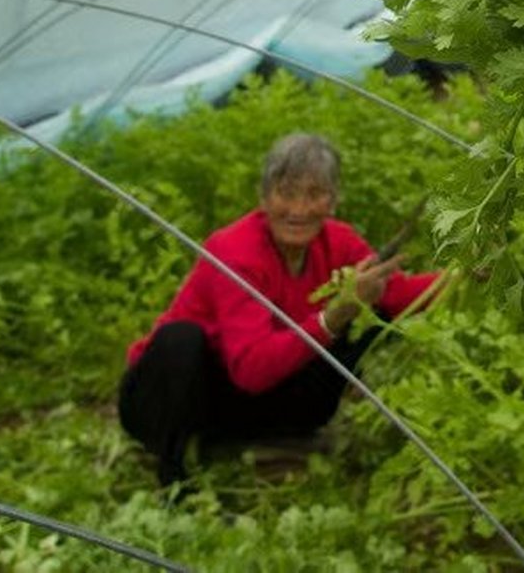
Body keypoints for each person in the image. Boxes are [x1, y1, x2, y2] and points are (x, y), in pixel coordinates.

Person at [119, 133, 439, 487]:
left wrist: (466, 273)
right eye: (286, 193)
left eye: (314, 195)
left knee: (374, 319)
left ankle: (252, 439)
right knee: (181, 339)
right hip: (168, 398)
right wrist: (331, 318)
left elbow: (397, 295)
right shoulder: (235, 250)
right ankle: (173, 470)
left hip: (237, 402)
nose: (299, 210)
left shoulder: (338, 241)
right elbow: (251, 370)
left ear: (332, 201)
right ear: (265, 198)